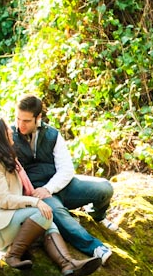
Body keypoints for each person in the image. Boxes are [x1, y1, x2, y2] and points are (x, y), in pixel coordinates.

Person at [0, 116, 102, 276]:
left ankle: (68, 264)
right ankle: (12, 256)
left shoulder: (9, 161)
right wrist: (35, 201)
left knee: (47, 219)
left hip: (11, 220)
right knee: (41, 213)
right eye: (7, 129)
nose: (12, 130)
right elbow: (5, 200)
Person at [11, 94, 115, 265]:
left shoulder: (52, 135)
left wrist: (49, 188)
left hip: (60, 185)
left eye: (26, 121)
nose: (20, 125)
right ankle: (96, 248)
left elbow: (66, 169)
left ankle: (97, 216)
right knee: (57, 214)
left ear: (38, 118)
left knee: (105, 188)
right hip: (37, 192)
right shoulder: (9, 136)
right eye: (18, 118)